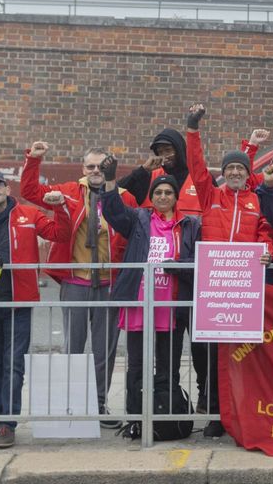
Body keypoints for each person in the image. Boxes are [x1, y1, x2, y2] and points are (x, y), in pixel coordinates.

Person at [20, 141, 141, 427]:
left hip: (110, 282)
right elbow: (29, 192)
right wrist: (34, 160)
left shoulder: (125, 197)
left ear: (111, 169)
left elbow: (137, 233)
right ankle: (71, 404)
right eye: (91, 166)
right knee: (72, 345)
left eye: (102, 166)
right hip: (76, 280)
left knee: (105, 348)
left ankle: (99, 404)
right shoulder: (69, 192)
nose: (96, 171)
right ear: (82, 169)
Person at [0, 171, 70, 449]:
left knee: (13, 363)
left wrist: (59, 207)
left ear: (8, 189)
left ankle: (8, 423)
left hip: (19, 300)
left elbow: (61, 233)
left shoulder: (30, 215)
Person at [185, 103, 273, 437]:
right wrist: (192, 130)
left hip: (245, 290)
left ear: (246, 173)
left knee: (243, 354)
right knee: (210, 354)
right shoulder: (210, 196)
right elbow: (196, 165)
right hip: (214, 288)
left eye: (241, 169)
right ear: (224, 173)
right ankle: (214, 412)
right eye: (230, 169)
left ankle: (242, 410)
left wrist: (266, 250)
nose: (235, 173)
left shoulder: (256, 200)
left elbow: (265, 231)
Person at [98, 163, 201, 441]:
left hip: (171, 305)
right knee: (136, 366)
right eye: (159, 192)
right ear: (152, 197)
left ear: (176, 197)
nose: (164, 197)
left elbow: (199, 258)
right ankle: (135, 419)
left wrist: (176, 265)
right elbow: (112, 212)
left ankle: (164, 418)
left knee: (168, 366)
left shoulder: (190, 224)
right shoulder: (139, 219)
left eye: (169, 192)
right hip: (139, 303)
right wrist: (110, 181)